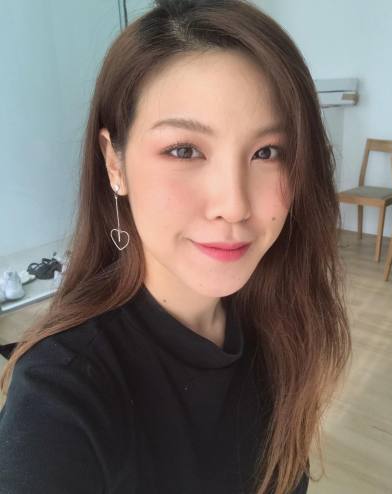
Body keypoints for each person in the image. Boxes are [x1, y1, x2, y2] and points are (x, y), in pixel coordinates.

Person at [0, 1, 352, 493]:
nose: (234, 205)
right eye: (184, 150)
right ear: (114, 163)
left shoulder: (280, 323)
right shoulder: (61, 395)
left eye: (267, 152)